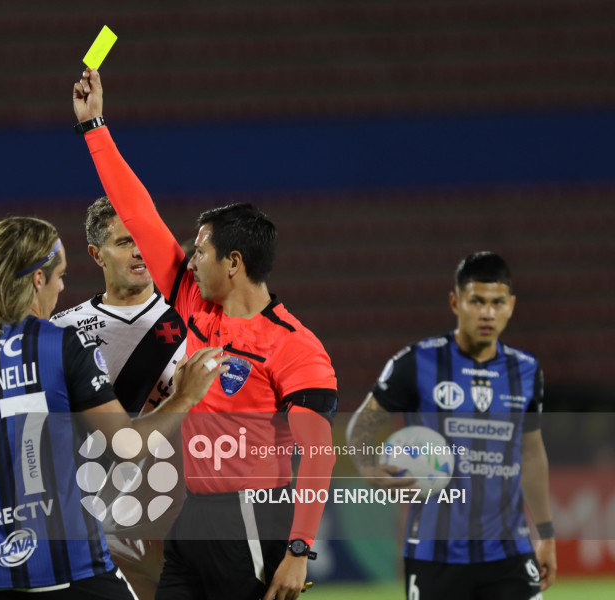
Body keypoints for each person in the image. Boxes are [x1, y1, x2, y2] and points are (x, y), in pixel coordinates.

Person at [72, 68, 338, 600]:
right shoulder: (195, 302)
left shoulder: (295, 346)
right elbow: (137, 211)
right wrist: (94, 126)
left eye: (200, 251)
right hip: (195, 512)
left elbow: (319, 454)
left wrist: (299, 550)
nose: (188, 260)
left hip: (254, 517)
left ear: (234, 262)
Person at [0, 216, 228, 600]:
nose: (62, 286)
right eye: (59, 275)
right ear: (37, 280)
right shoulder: (60, 345)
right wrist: (184, 397)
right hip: (73, 572)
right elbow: (127, 445)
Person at [347, 251, 557, 600]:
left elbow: (532, 453)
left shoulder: (527, 371)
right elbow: (360, 427)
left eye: (497, 302)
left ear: (511, 305)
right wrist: (368, 466)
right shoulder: (417, 362)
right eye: (476, 301)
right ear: (455, 302)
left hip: (509, 552)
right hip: (434, 555)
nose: (488, 312)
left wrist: (547, 534)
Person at [51, 198, 187, 600]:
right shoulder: (63, 330)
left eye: (143, 239)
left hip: (183, 515)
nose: (139, 250)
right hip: (100, 518)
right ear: (96, 254)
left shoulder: (189, 316)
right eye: (125, 242)